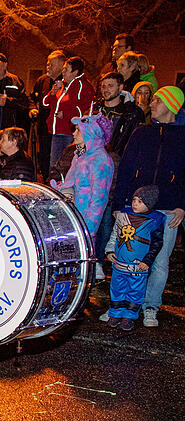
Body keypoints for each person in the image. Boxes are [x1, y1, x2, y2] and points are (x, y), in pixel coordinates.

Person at [110, 86, 185, 327]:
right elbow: (126, 169)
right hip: (136, 208)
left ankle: (150, 306)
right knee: (127, 257)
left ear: (172, 106)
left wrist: (182, 206)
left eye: (157, 100)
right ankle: (121, 307)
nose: (151, 104)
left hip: (166, 209)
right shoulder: (141, 133)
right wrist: (120, 203)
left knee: (159, 260)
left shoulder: (183, 137)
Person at [101, 185, 165, 331]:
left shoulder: (155, 220)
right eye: (134, 200)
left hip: (138, 267)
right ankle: (115, 313)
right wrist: (110, 250)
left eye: (140, 201)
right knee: (117, 289)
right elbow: (115, 235)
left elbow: (157, 244)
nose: (135, 204)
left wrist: (147, 261)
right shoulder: (123, 215)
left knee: (135, 291)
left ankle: (129, 316)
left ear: (149, 204)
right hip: (119, 264)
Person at [53, 115, 115, 236]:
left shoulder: (101, 160)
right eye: (74, 129)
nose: (74, 134)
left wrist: (87, 231)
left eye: (79, 130)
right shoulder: (80, 156)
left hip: (83, 224)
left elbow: (99, 200)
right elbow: (74, 184)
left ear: (92, 134)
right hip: (71, 219)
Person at [42, 56, 95, 168]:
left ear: (75, 72)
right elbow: (45, 104)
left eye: (66, 69)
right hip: (57, 132)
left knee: (68, 165)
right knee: (54, 165)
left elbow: (84, 110)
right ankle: (54, 184)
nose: (63, 72)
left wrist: (66, 115)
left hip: (70, 133)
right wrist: (52, 93)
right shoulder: (63, 86)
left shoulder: (83, 86)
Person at [30, 50, 66, 179]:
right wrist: (33, 108)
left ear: (62, 66)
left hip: (60, 130)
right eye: (47, 63)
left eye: (52, 64)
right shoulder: (42, 81)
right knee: (44, 156)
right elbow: (32, 98)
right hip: (44, 128)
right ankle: (46, 179)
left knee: (58, 158)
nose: (48, 67)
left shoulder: (67, 82)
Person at [95, 72, 144, 155]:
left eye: (110, 86)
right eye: (103, 86)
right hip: (93, 158)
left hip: (116, 159)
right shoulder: (94, 109)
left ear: (120, 87)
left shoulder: (131, 113)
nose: (106, 90)